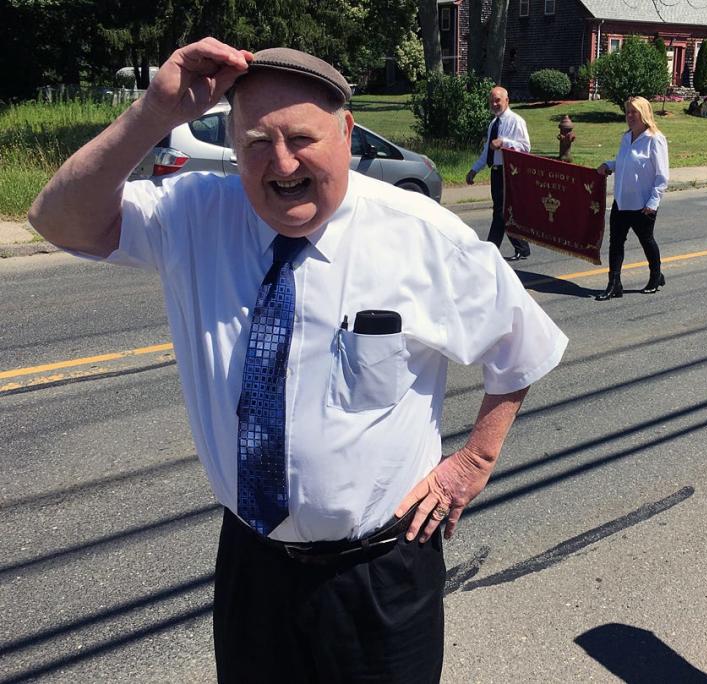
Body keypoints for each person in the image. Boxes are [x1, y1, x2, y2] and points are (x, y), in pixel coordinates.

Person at [28, 38, 568, 682]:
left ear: (346, 133)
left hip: (380, 575)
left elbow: (522, 344)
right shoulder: (197, 215)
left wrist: (473, 462)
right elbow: (57, 220)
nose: (281, 162)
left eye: (302, 138)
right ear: (232, 144)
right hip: (253, 565)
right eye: (257, 141)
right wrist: (152, 113)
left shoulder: (419, 234)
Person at [594, 96, 669, 301]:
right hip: (622, 201)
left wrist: (653, 202)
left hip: (643, 203)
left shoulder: (655, 139)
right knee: (616, 243)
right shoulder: (626, 137)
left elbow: (662, 176)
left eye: (634, 112)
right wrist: (609, 165)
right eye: (627, 112)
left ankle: (655, 276)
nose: (630, 116)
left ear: (644, 114)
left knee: (646, 240)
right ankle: (614, 283)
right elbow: (623, 162)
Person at [466, 86, 533, 262]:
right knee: (504, 212)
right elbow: (487, 151)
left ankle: (490, 250)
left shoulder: (516, 121)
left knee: (500, 212)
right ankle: (522, 248)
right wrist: (474, 169)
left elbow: (525, 147)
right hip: (496, 172)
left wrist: (504, 142)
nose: (494, 104)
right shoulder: (493, 124)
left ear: (506, 101)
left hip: (510, 173)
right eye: (492, 101)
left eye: (498, 100)